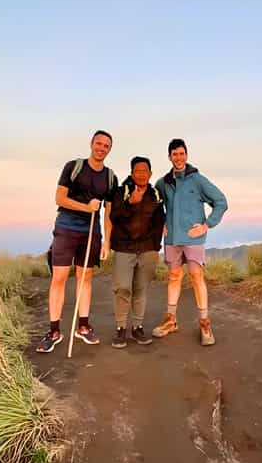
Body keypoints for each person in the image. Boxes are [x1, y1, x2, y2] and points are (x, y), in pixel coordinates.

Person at [36, 130, 119, 353]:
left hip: (91, 232)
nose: (102, 148)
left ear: (109, 150)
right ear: (92, 144)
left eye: (106, 146)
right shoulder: (74, 167)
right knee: (59, 277)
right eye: (99, 143)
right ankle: (54, 331)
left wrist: (107, 242)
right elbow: (60, 198)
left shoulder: (110, 177)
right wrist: (86, 207)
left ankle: (83, 327)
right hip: (66, 227)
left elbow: (108, 213)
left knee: (85, 277)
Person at [152, 138, 228, 345]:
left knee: (196, 276)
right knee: (174, 276)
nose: (178, 157)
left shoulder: (198, 180)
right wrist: (161, 223)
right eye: (174, 154)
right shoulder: (163, 182)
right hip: (172, 239)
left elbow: (221, 202)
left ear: (187, 155)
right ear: (169, 157)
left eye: (181, 153)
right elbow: (154, 204)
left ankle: (204, 323)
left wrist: (207, 225)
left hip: (193, 238)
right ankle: (170, 321)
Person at [109, 156, 165, 348]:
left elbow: (160, 221)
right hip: (124, 248)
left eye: (145, 171)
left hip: (148, 250)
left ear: (150, 174)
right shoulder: (121, 192)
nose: (141, 174)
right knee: (123, 288)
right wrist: (131, 203)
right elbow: (113, 216)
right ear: (132, 173)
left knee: (141, 289)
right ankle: (120, 329)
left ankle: (137, 327)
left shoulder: (155, 195)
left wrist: (155, 247)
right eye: (138, 170)